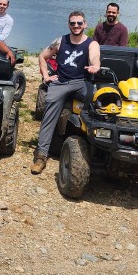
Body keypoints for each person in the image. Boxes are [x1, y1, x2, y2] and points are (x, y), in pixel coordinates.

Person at [32, 11, 100, 174]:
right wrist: (46, 76)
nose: (76, 26)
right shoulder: (60, 41)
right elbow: (42, 56)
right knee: (49, 114)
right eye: (73, 23)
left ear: (85, 24)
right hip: (61, 82)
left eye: (79, 23)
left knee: (97, 104)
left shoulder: (91, 43)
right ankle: (41, 155)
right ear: (69, 24)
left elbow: (95, 57)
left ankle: (95, 147)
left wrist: (94, 66)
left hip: (81, 82)